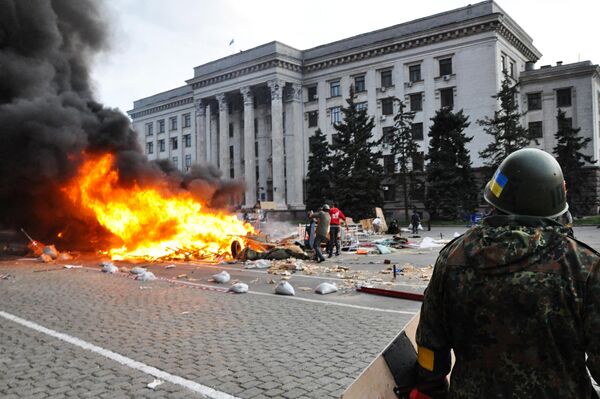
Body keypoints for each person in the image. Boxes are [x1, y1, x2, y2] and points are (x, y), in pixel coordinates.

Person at [411, 148, 600, 398]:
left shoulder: (452, 257)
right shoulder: (584, 266)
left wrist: (430, 390)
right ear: (556, 201)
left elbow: (430, 346)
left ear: (495, 199)